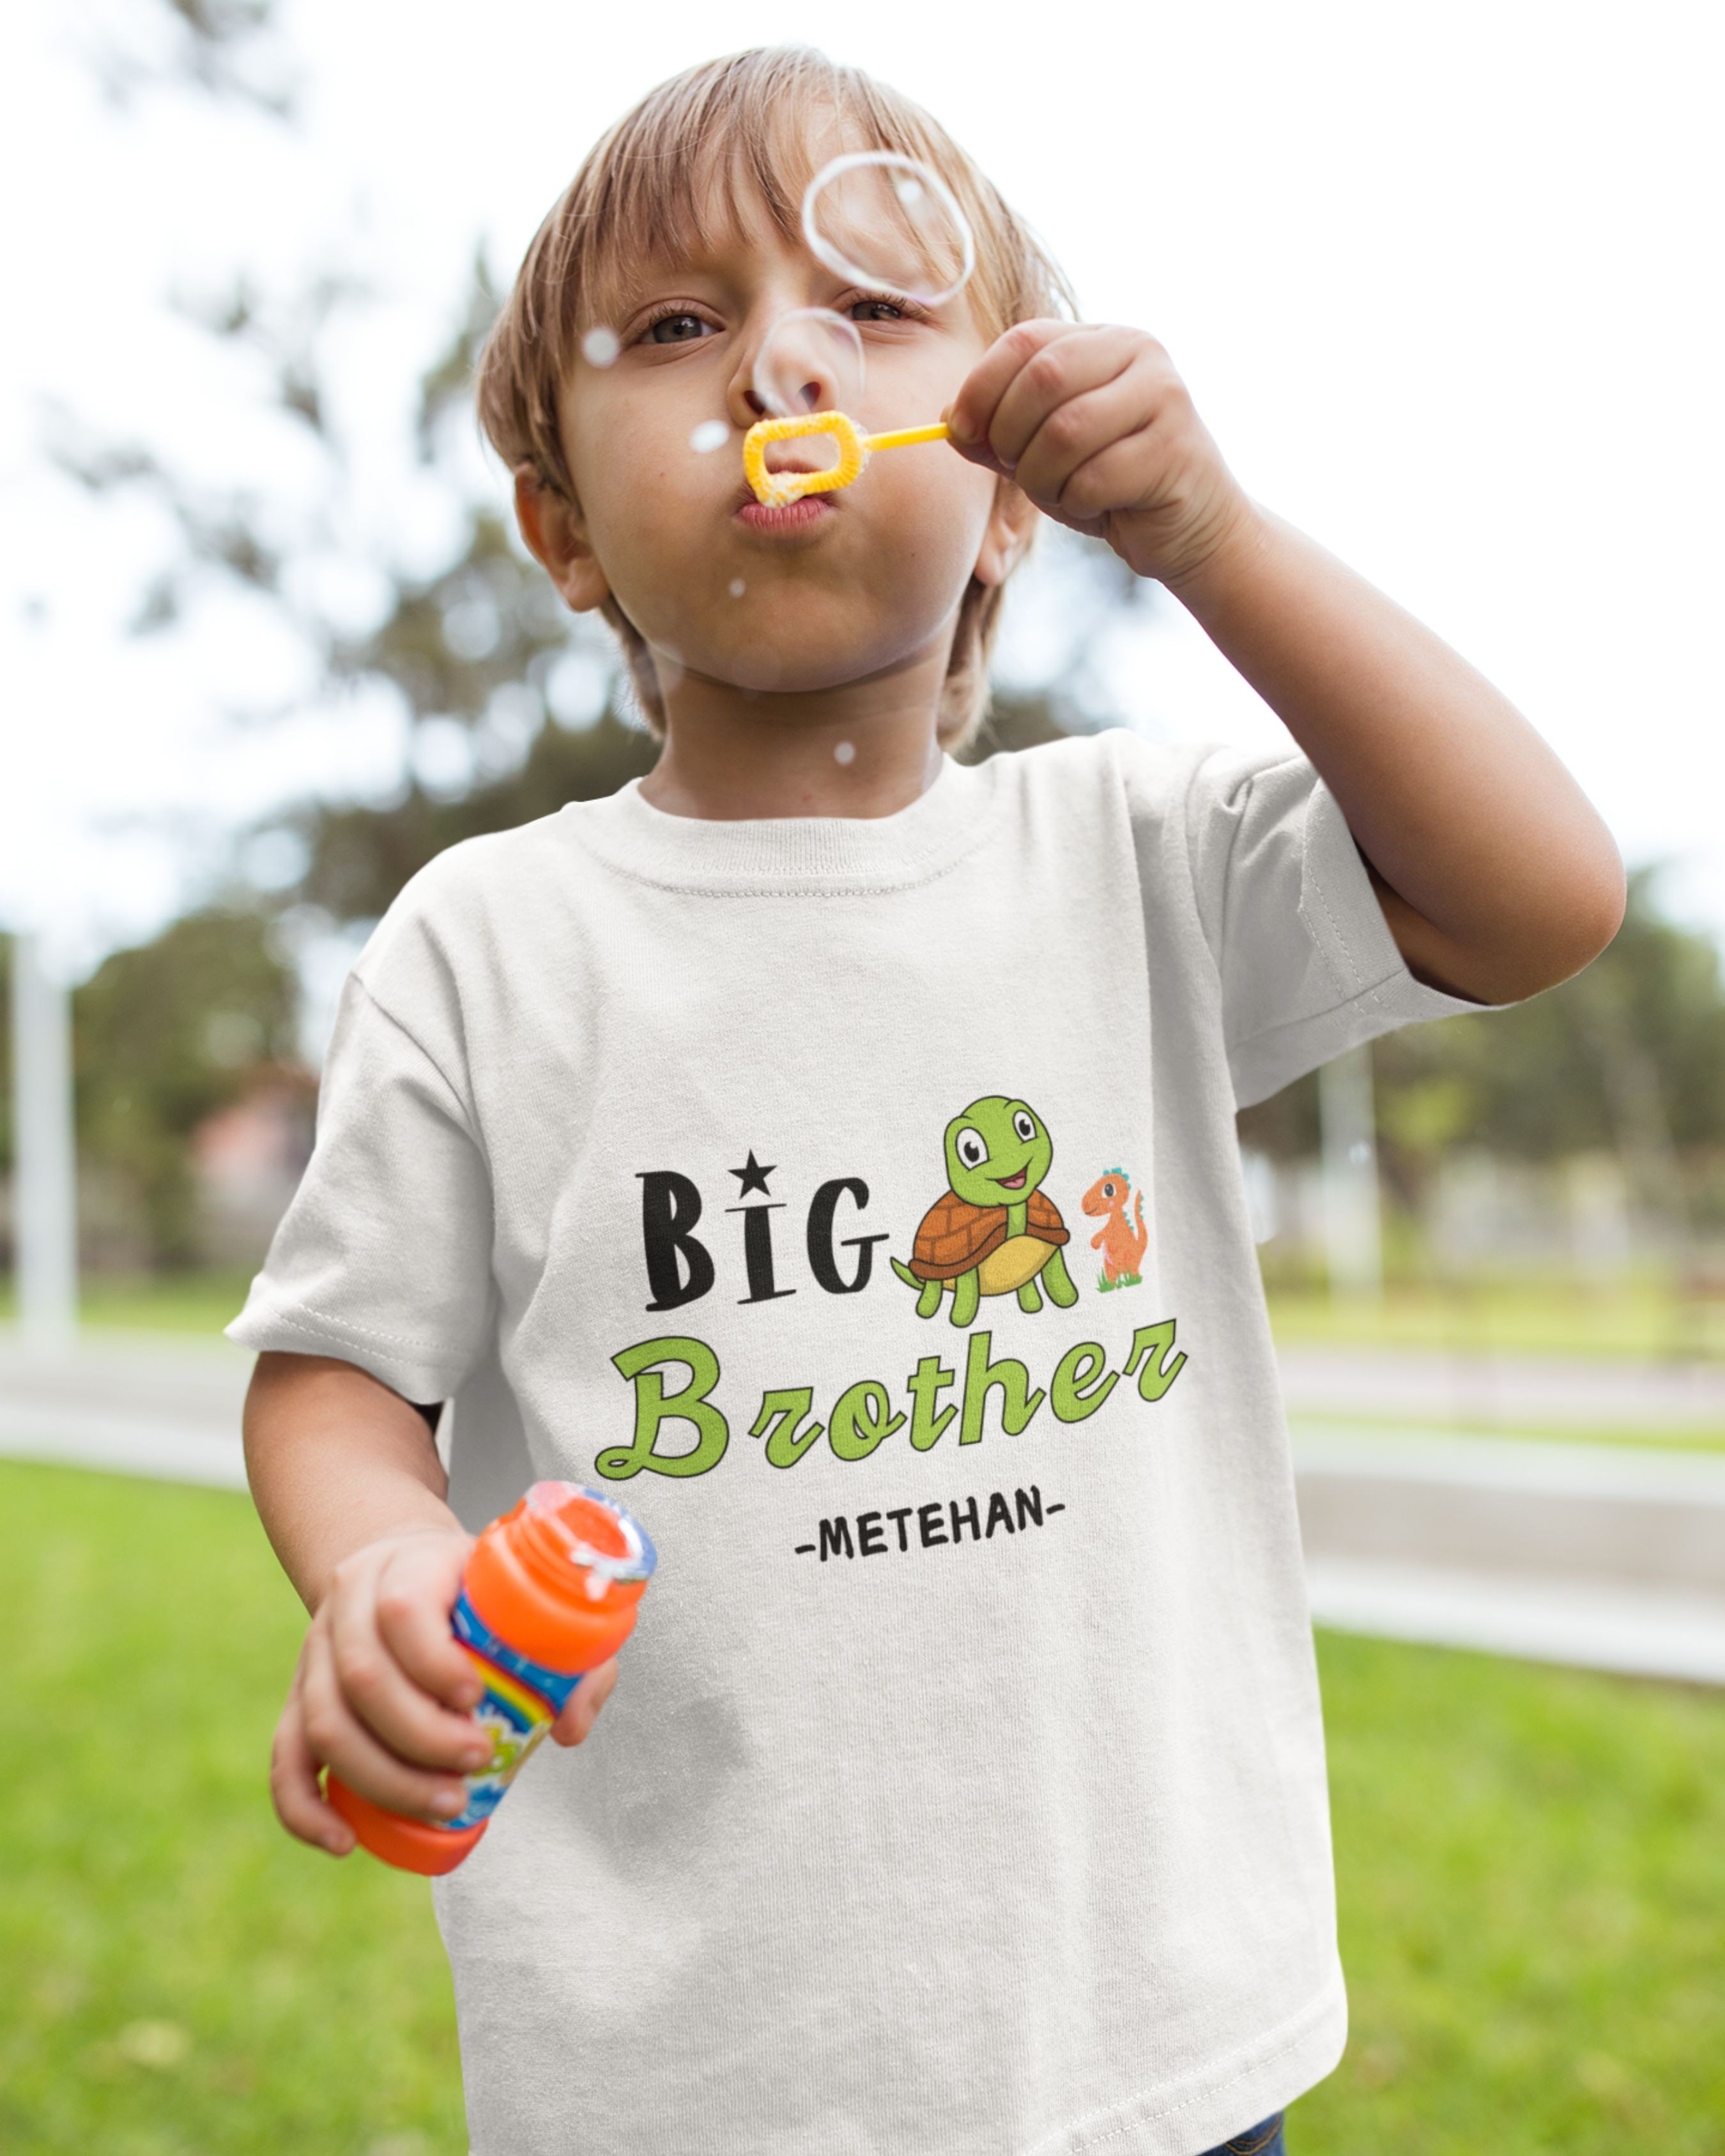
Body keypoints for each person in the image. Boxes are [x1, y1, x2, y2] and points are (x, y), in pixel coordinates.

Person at [226, 45, 1624, 2156]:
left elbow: (1535, 902)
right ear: (562, 527)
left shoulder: (1136, 858)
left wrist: (1216, 541)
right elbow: (337, 1374)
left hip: (1154, 2036)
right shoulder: (492, 940)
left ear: (1007, 489)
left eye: (872, 310)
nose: (783, 362)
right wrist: (381, 1573)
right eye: (680, 326)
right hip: (687, 2081)